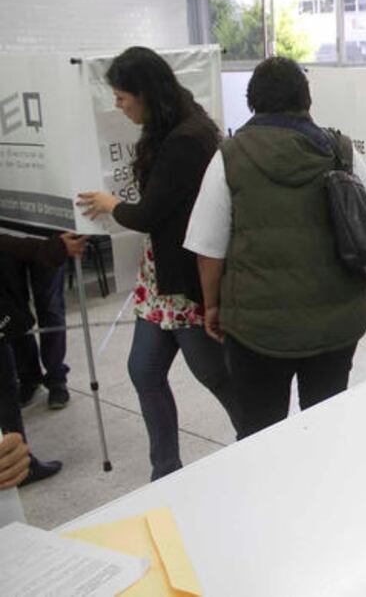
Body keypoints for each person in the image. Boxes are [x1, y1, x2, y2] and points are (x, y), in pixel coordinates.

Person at [184, 57, 366, 438]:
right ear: (307, 99)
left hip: (257, 330)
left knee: (260, 431)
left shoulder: (229, 157)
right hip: (336, 322)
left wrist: (213, 305)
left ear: (253, 102)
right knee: (324, 427)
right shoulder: (342, 151)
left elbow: (208, 248)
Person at [76, 47, 240, 481]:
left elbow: (150, 213)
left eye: (122, 97)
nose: (119, 106)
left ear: (145, 93)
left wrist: (112, 204)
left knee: (215, 376)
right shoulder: (178, 125)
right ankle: (164, 471)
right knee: (143, 370)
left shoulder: (185, 138)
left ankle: (261, 440)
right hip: (162, 281)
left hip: (186, 282)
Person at [1, 231, 87, 485]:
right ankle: (19, 462)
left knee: (48, 308)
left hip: (42, 231)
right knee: (14, 325)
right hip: (26, 245)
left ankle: (55, 379)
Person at [0, 238, 71, 409]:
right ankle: (28, 376)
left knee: (50, 307)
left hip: (45, 229)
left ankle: (56, 377)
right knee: (14, 310)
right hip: (6, 233)